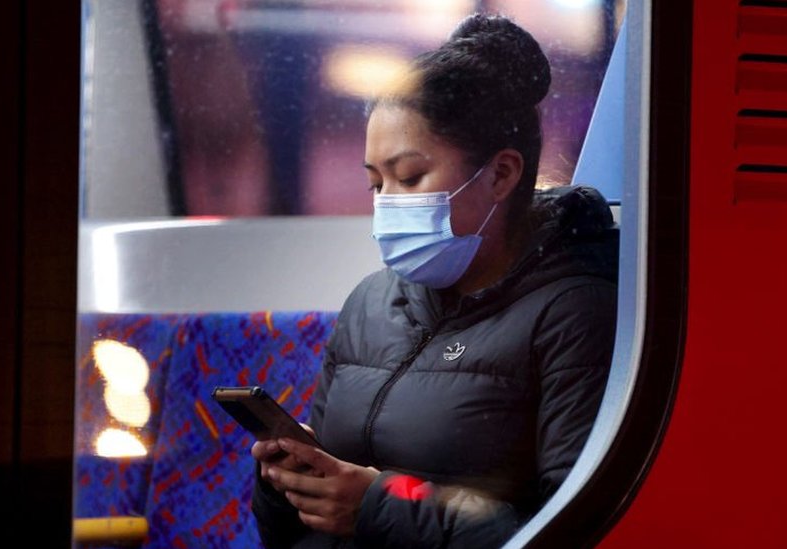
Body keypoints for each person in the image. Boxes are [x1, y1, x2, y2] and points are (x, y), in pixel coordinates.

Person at [251, 13, 618, 549]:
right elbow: (292, 533)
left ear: (500, 174)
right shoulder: (370, 304)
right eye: (376, 182)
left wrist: (380, 505)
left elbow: (567, 529)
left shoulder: (576, 314)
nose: (385, 205)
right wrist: (288, 484)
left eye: (410, 177)